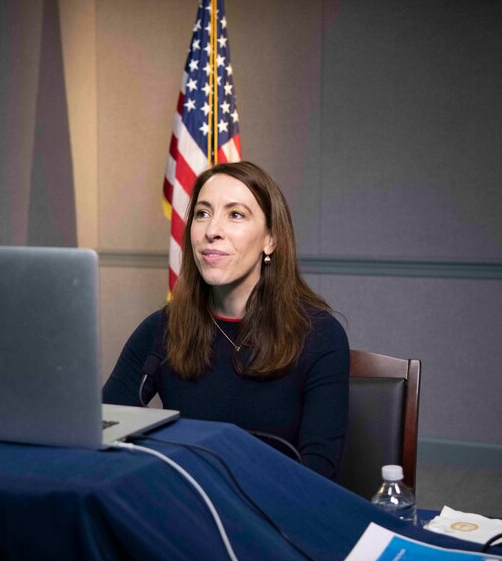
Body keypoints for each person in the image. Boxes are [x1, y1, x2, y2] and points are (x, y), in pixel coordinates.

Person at [103, 161, 349, 481]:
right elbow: (100, 431)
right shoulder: (161, 329)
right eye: (202, 213)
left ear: (270, 240)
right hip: (185, 509)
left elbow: (319, 473)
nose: (211, 231)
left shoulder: (319, 336)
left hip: (273, 517)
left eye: (235, 214)